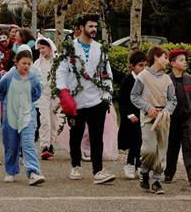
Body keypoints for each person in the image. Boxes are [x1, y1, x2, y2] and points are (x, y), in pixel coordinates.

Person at [55, 13, 116, 184]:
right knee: (76, 134)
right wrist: (63, 92)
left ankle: (98, 171)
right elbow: (61, 71)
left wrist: (107, 95)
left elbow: (107, 74)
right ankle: (76, 165)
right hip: (75, 101)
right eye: (90, 26)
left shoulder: (100, 48)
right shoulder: (70, 47)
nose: (94, 29)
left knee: (97, 137)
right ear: (82, 28)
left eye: (96, 27)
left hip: (97, 100)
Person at [130, 46, 177, 195]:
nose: (168, 61)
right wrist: (148, 107)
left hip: (163, 118)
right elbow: (134, 96)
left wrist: (166, 111)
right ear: (156, 57)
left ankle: (156, 180)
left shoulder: (167, 79)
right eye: (165, 58)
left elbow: (172, 100)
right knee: (149, 148)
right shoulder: (143, 76)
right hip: (148, 117)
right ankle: (144, 170)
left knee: (161, 150)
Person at [0, 50, 45, 185]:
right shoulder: (9, 76)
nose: (26, 66)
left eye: (29, 64)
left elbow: (36, 94)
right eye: (23, 63)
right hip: (10, 116)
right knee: (11, 145)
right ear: (16, 62)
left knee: (28, 144)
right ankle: (10, 171)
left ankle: (33, 172)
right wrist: (7, 103)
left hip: (28, 115)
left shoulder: (33, 78)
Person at [164, 49, 191, 187]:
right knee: (171, 148)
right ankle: (168, 172)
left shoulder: (190, 79)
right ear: (173, 63)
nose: (184, 62)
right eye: (181, 60)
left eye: (185, 60)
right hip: (172, 120)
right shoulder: (166, 80)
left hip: (189, 119)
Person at [118, 50, 147, 180]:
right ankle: (130, 164)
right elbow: (122, 100)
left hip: (143, 114)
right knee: (134, 141)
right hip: (131, 116)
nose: (143, 68)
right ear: (132, 66)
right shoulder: (127, 80)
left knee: (142, 141)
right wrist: (129, 115)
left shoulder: (146, 80)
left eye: (145, 65)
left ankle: (139, 165)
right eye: (140, 65)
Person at [35, 37, 59, 160]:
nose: (41, 51)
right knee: (44, 120)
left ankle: (51, 144)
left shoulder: (58, 62)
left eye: (43, 48)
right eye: (40, 49)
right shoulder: (37, 63)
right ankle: (44, 146)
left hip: (55, 96)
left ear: (50, 47)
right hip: (42, 95)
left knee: (54, 122)